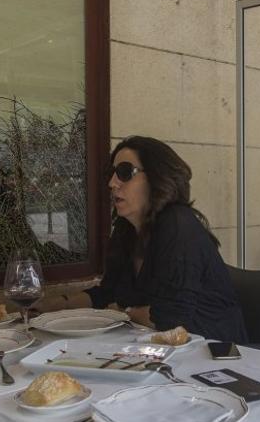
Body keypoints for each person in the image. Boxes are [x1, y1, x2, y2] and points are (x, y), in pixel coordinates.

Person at [36, 135, 248, 343]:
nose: (112, 183)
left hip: (213, 351)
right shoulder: (126, 230)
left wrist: (122, 311)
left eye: (124, 173)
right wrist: (59, 306)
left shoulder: (178, 224)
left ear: (157, 177)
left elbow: (171, 318)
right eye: (112, 173)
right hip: (159, 347)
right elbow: (107, 293)